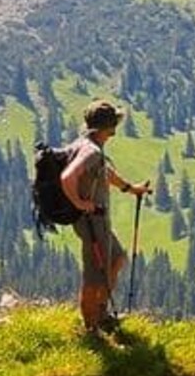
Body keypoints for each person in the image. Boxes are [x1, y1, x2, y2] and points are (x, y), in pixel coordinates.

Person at [61, 99, 150, 332]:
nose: (114, 130)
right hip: (91, 221)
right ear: (108, 127)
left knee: (117, 258)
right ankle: (91, 329)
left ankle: (101, 313)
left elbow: (104, 172)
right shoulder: (90, 151)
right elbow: (67, 178)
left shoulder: (88, 146)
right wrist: (81, 203)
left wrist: (131, 188)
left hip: (96, 220)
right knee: (94, 274)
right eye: (114, 125)